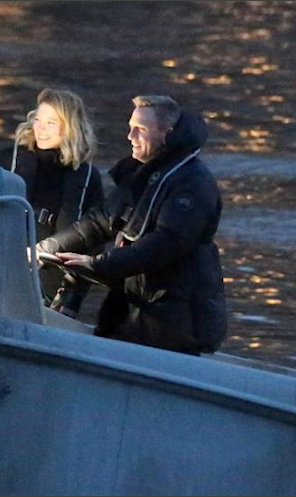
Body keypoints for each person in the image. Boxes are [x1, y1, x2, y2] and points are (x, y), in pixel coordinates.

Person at [37, 95, 227, 355]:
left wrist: (100, 265)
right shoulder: (142, 175)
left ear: (168, 133)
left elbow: (166, 243)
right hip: (134, 314)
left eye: (141, 129)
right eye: (130, 127)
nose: (130, 136)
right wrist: (46, 248)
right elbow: (98, 223)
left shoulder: (193, 183)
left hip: (173, 323)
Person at [0, 88, 104, 318]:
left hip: (51, 291)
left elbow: (93, 243)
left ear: (71, 127)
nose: (41, 128)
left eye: (51, 122)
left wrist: (73, 300)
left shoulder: (87, 177)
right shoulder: (7, 159)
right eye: (38, 119)